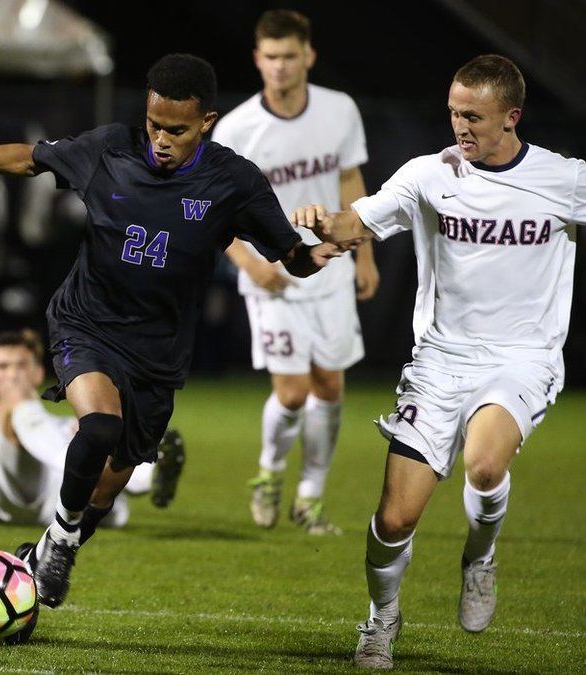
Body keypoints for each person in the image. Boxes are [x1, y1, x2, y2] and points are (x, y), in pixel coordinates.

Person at [0, 53, 338, 610]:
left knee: (113, 476)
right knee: (97, 429)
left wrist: (321, 247)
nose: (161, 139)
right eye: (154, 125)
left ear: (207, 122)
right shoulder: (110, 150)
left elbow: (292, 255)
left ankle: (51, 543)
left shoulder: (233, 181)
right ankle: (63, 543)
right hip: (85, 323)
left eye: (177, 129)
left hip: (159, 353)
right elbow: (30, 159)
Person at [292, 54, 585, 669]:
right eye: (454, 113)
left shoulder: (565, 181)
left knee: (483, 464)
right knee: (393, 518)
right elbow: (356, 223)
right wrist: (321, 222)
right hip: (440, 360)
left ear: (512, 116)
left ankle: (479, 557)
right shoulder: (430, 175)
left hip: (522, 359)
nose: (461, 127)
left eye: (474, 117)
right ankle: (381, 618)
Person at [212, 10, 379, 535]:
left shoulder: (339, 110)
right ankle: (269, 472)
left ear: (308, 56)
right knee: (291, 393)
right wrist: (245, 261)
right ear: (258, 59)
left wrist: (365, 254)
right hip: (274, 272)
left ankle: (310, 498)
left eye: (290, 56)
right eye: (271, 57)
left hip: (329, 265)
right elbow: (214, 207)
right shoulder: (237, 127)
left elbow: (351, 179)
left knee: (329, 385)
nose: (280, 66)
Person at [0, 328, 180, 528]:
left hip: (61, 505)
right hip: (2, 500)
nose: (12, 375)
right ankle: (146, 468)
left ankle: (150, 473)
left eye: (21, 366)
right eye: (2, 367)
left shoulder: (63, 426)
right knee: (81, 443)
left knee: (94, 454)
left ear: (38, 373)